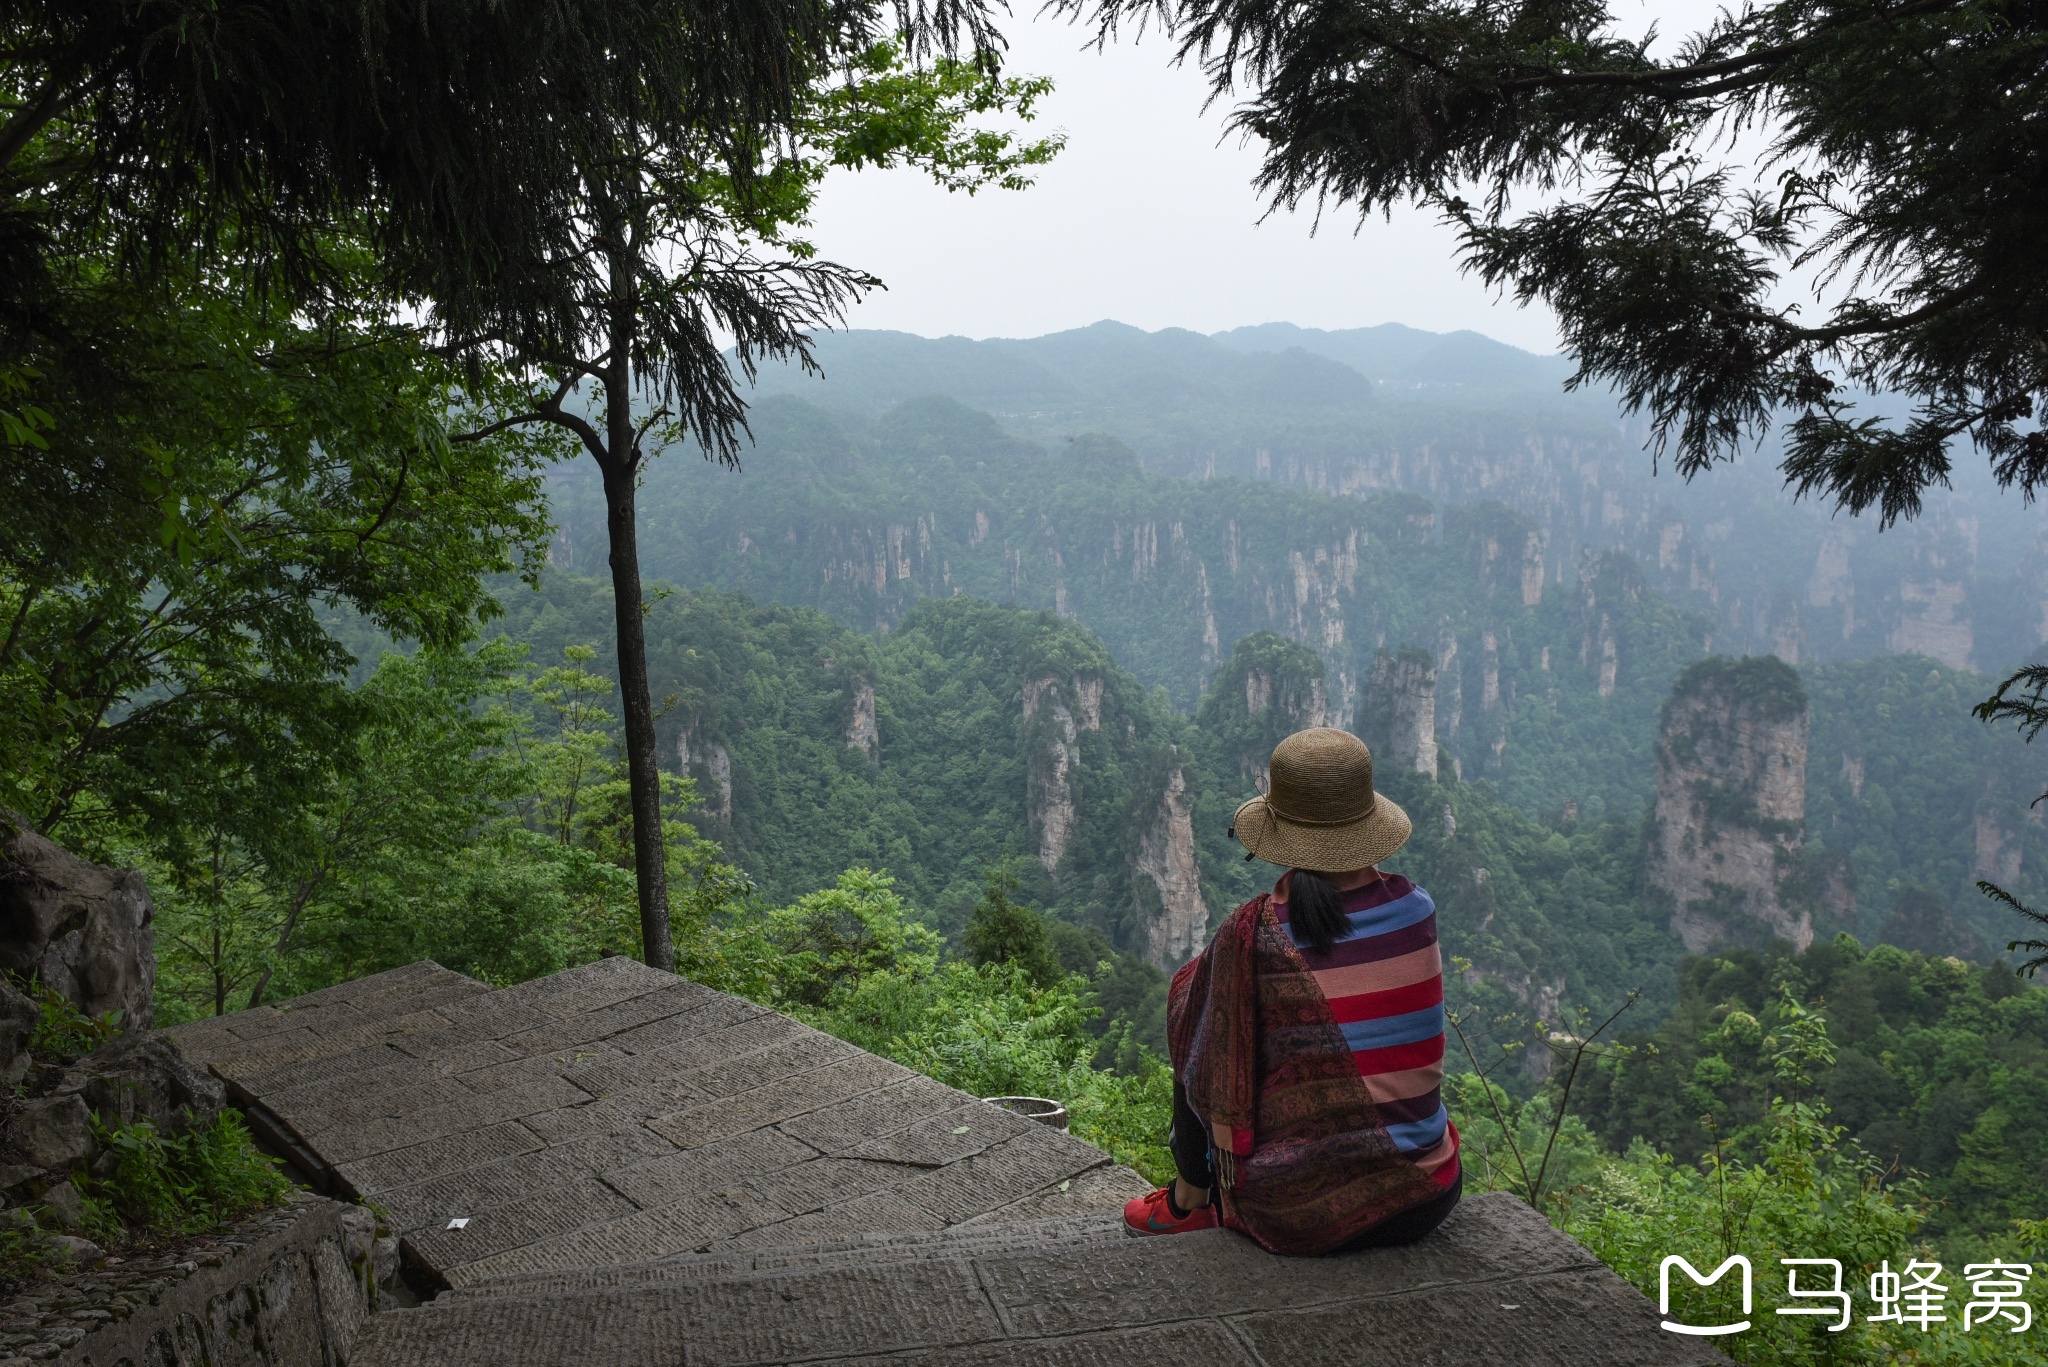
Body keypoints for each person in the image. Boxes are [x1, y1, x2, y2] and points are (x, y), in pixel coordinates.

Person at [1123, 727, 1462, 1254]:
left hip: (1300, 1214)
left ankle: (1189, 1200)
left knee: (1196, 1005)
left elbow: (1198, 1029)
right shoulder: (1418, 910)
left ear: (1280, 832)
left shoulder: (1253, 934)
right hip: (1426, 1198)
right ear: (1367, 819)